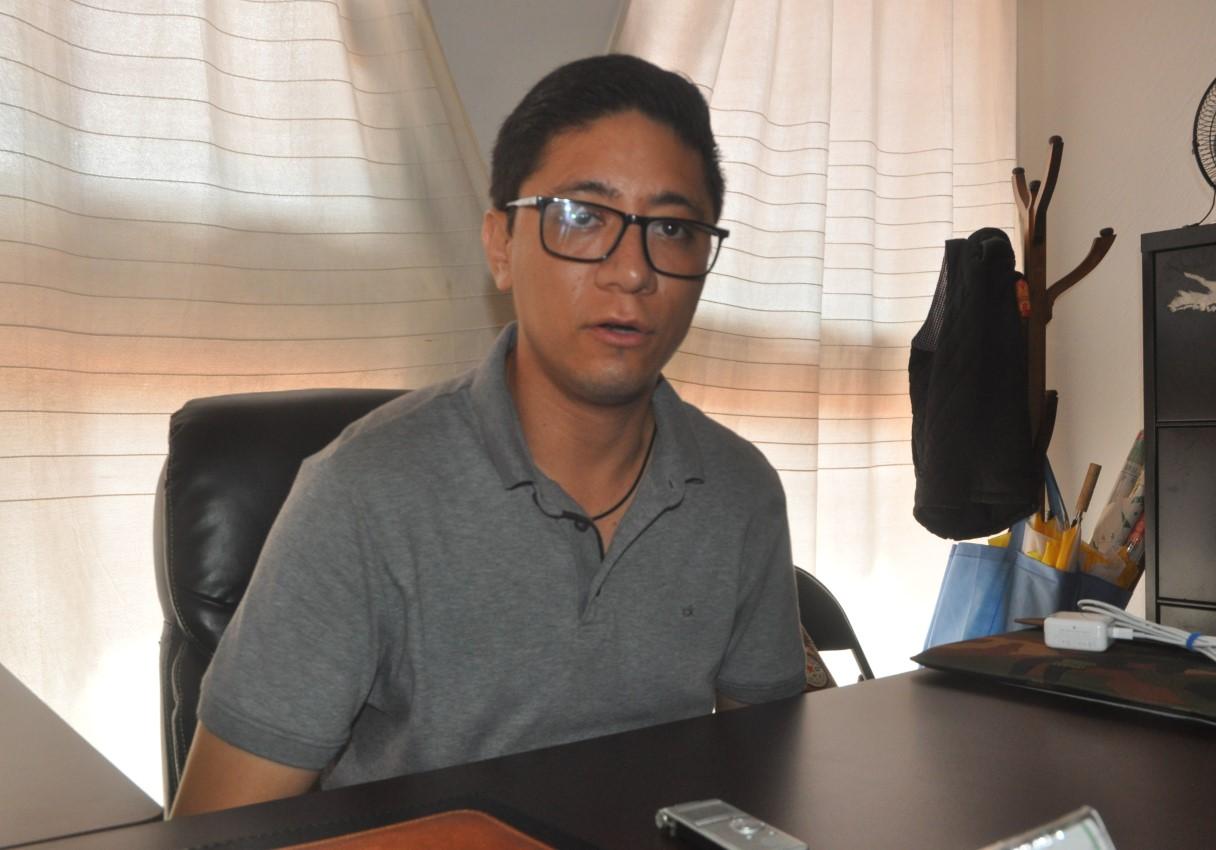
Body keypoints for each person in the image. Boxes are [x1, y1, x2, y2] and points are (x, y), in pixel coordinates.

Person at [170, 53, 806, 817]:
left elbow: (767, 776)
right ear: (501, 245)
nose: (632, 272)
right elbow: (213, 830)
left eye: (672, 229)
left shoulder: (740, 493)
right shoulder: (361, 494)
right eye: (583, 216)